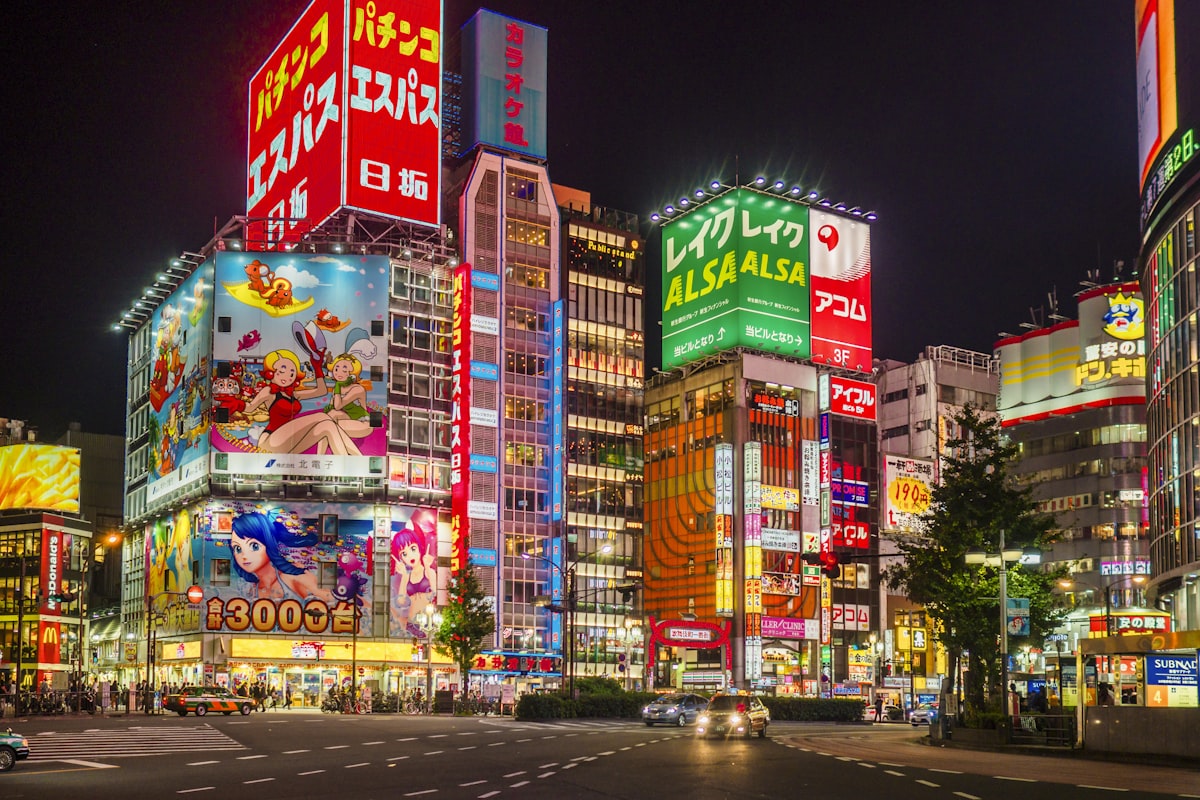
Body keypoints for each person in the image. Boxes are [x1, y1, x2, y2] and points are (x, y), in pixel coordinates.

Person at [239, 349, 361, 456]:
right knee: (322, 417)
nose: (288, 376)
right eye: (282, 371)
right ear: (271, 371)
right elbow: (249, 408)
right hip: (271, 440)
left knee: (327, 426)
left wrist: (317, 368)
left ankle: (353, 460)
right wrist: (233, 404)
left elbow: (321, 391)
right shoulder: (269, 391)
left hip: (290, 440)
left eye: (292, 372)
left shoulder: (293, 394)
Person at [231, 511, 336, 603]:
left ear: (269, 544)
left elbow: (331, 602)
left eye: (254, 546)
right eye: (237, 549)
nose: (244, 556)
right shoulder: (252, 587)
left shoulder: (292, 576)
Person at [390, 516, 438, 638]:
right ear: (400, 558)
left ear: (420, 548)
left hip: (428, 622)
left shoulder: (428, 571)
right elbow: (401, 601)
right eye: (404, 554)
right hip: (412, 624)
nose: (410, 556)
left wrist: (427, 567)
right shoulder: (406, 576)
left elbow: (435, 592)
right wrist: (405, 577)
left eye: (413, 548)